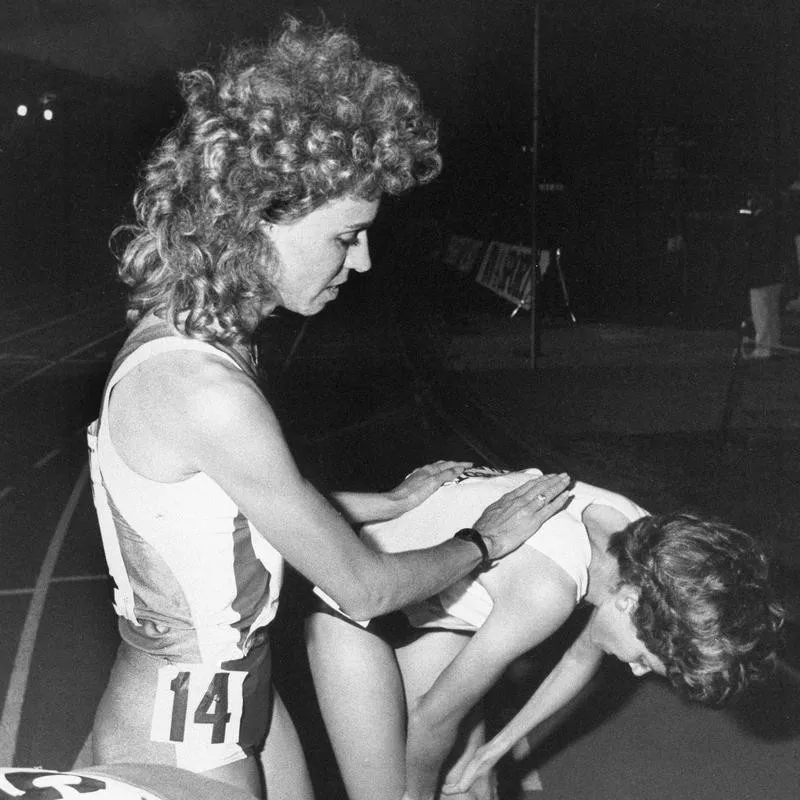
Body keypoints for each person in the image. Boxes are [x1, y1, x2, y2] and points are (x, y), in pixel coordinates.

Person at [85, 17, 572, 800]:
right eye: (347, 236)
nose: (363, 260)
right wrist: (486, 540)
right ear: (259, 218)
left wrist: (392, 499)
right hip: (176, 741)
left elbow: (233, 514)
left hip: (243, 703)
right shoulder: (205, 391)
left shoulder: (207, 343)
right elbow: (366, 589)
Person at [305, 466, 784, 800]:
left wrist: (491, 754)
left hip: (436, 607)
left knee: (472, 787)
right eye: (645, 658)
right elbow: (432, 718)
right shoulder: (546, 592)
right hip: (359, 609)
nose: (637, 670)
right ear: (629, 602)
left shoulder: (645, 541)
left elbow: (582, 654)